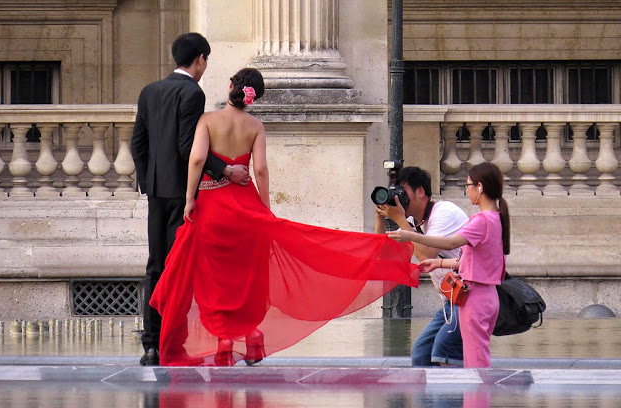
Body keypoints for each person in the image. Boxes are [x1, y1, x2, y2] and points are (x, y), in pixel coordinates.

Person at [149, 67, 422, 366]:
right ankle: (251, 334)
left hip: (212, 207)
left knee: (215, 279)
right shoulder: (255, 126)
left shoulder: (207, 120)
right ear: (255, 98)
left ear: (230, 87)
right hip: (246, 208)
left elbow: (198, 158)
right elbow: (261, 170)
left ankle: (225, 338)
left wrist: (189, 199)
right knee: (248, 277)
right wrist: (264, 211)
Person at [131, 33, 251, 366]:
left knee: (156, 267)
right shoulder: (191, 92)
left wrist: (148, 181)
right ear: (200, 59)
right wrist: (225, 169)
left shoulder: (149, 91)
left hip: (156, 192)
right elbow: (189, 148)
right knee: (179, 270)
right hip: (183, 193)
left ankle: (151, 344)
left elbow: (137, 143)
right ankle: (173, 344)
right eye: (205, 61)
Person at [388, 162, 510, 368]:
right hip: (474, 296)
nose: (466, 190)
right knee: (445, 355)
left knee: (467, 359)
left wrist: (408, 232)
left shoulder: (481, 219)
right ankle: (462, 397)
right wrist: (440, 263)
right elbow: (469, 260)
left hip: (472, 296)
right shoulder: (493, 218)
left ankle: (466, 398)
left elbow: (451, 242)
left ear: (480, 187)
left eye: (468, 185)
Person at [375, 166, 468, 366]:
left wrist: (399, 219)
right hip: (451, 301)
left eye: (403, 191)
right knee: (421, 355)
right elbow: (382, 254)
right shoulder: (413, 222)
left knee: (444, 349)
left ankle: (455, 395)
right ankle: (438, 395)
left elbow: (426, 254)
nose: (399, 198)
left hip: (470, 298)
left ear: (420, 191)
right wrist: (381, 217)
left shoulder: (444, 212)